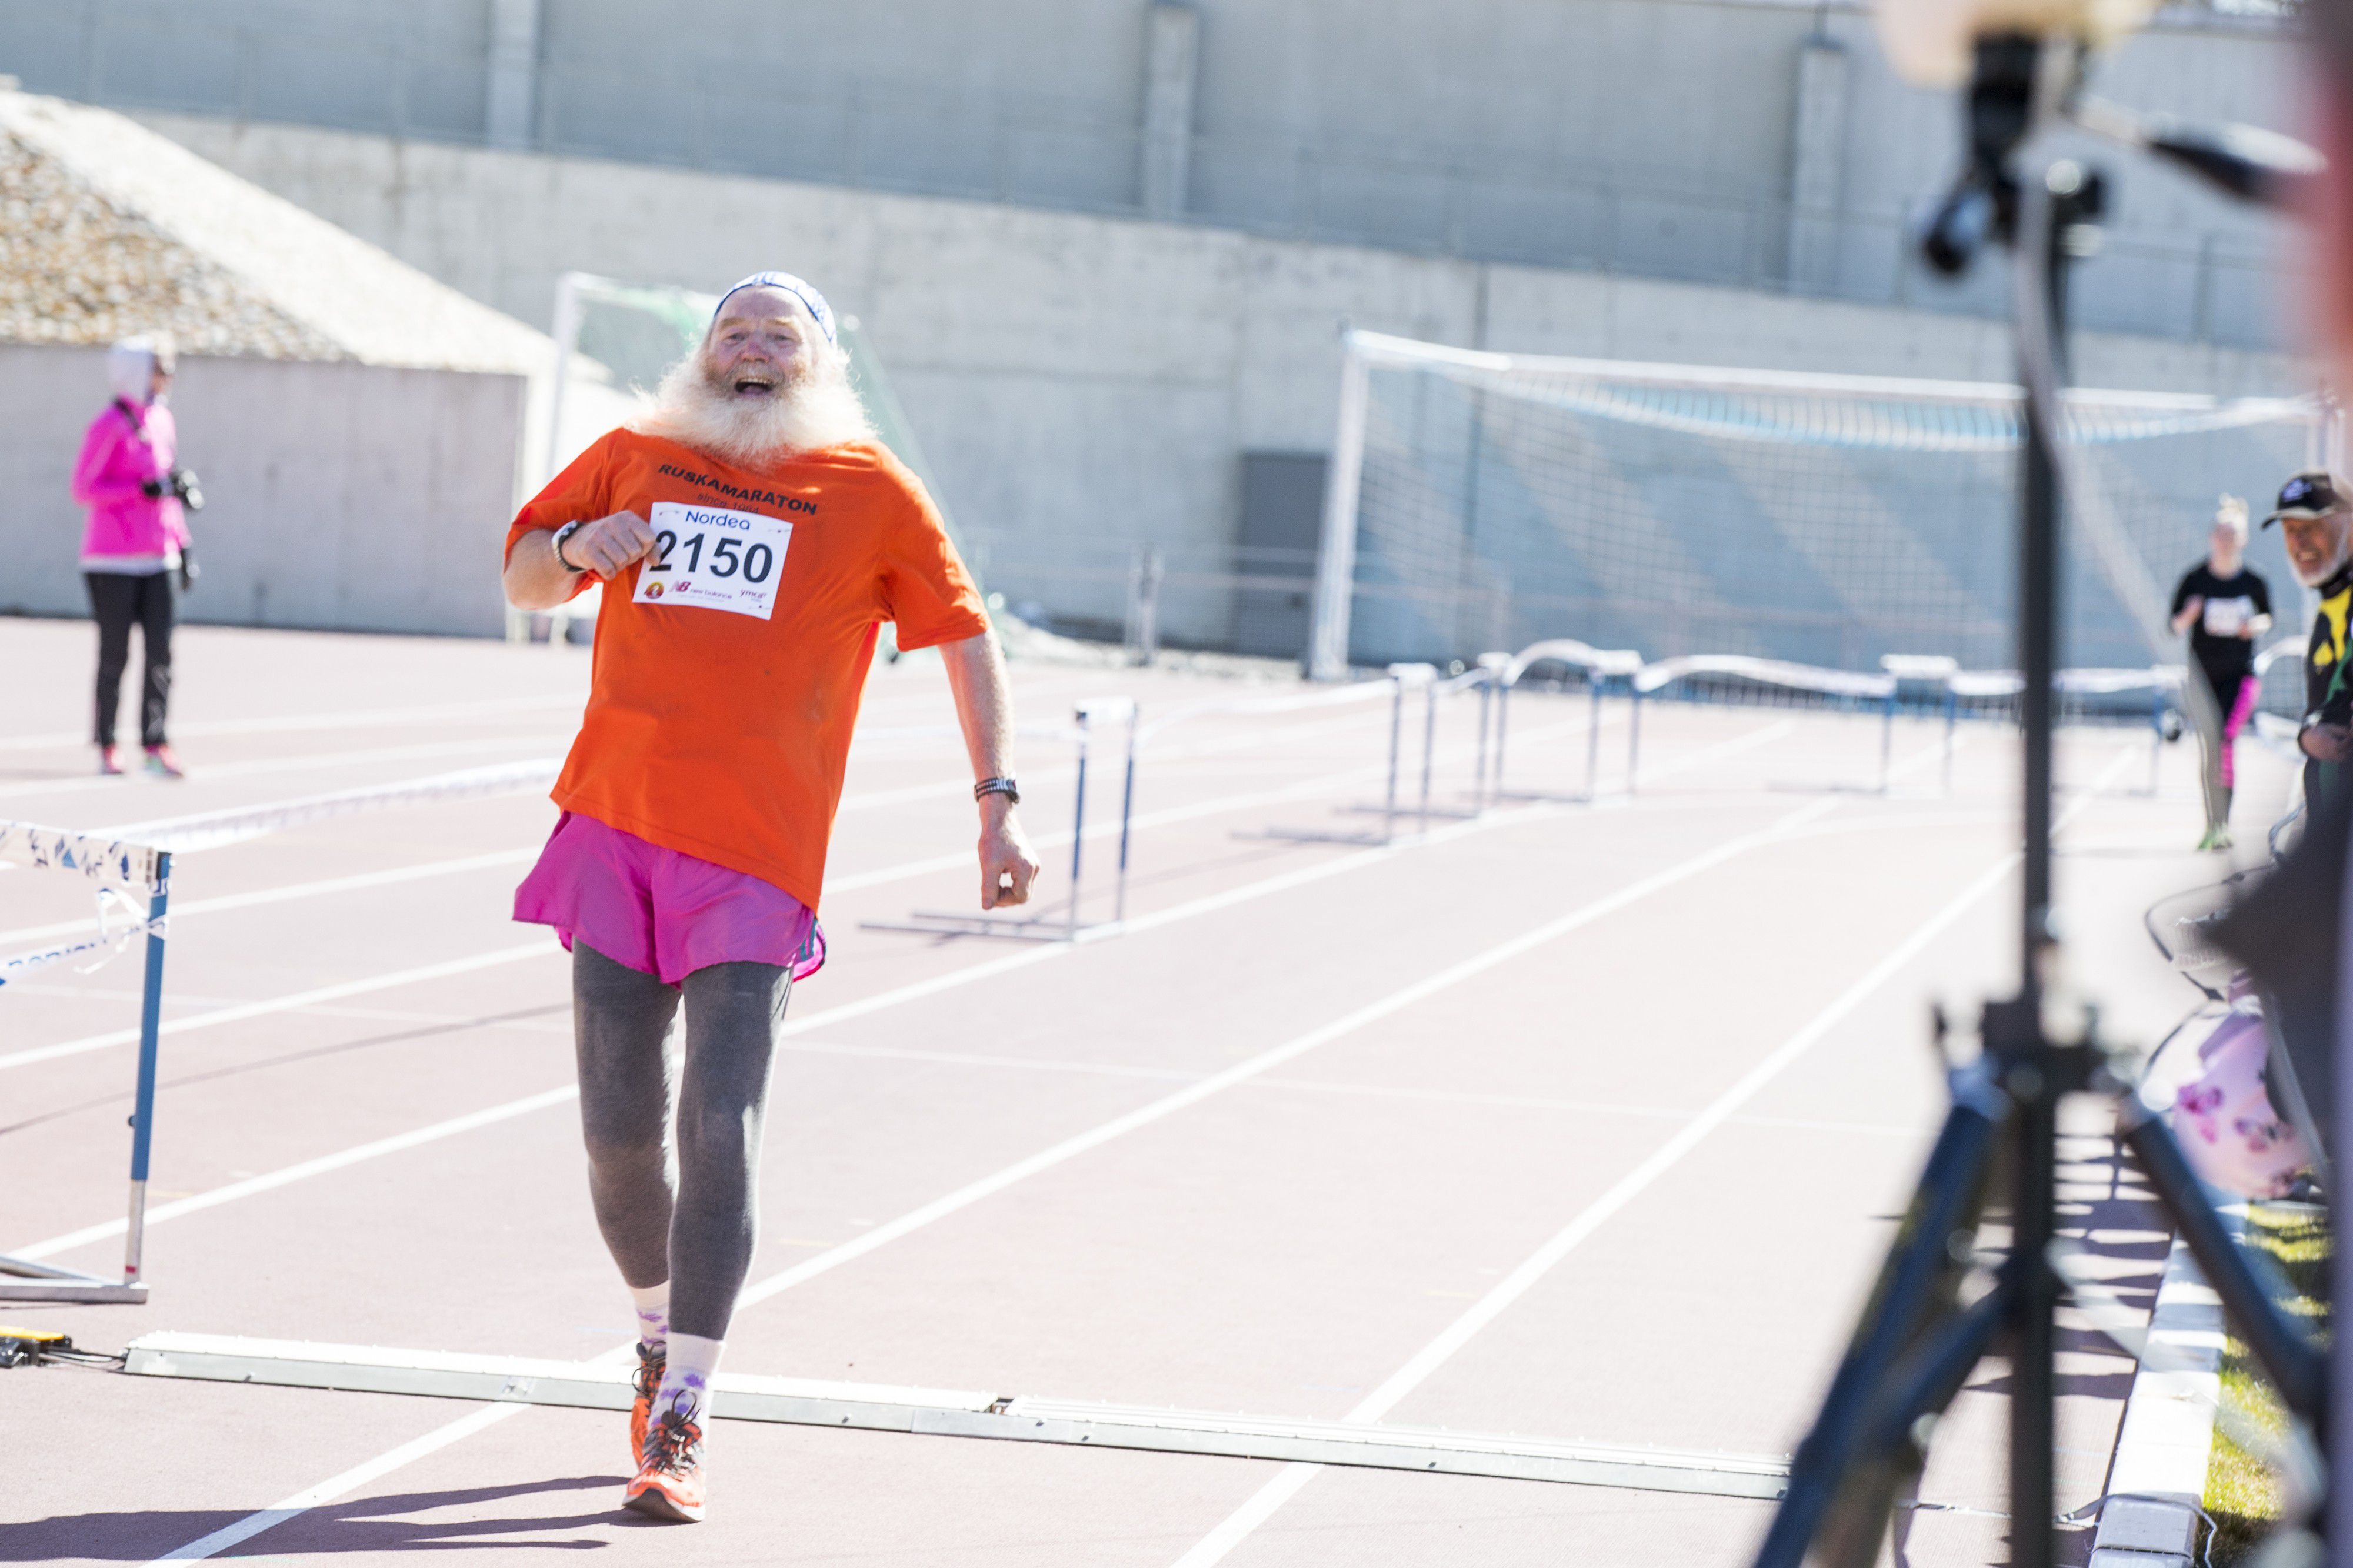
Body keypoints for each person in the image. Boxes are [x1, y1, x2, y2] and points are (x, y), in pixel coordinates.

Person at [501, 271, 1041, 1524]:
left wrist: (996, 799)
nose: (751, 348)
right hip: (617, 827)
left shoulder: (868, 488)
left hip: (755, 854)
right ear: (703, 354)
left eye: (777, 334)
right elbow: (525, 574)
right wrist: (579, 547)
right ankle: (652, 1333)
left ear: (819, 362)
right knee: (617, 1135)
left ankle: (685, 1405)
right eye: (731, 330)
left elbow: (964, 635)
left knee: (720, 1124)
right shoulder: (637, 452)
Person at [72, 335, 194, 778]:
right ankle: (107, 744)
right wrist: (135, 491)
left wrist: (183, 544)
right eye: (160, 368)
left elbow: (166, 492)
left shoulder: (162, 420)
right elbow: (83, 489)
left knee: (162, 652)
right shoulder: (110, 424)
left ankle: (155, 742)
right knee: (114, 655)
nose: (168, 378)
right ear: (137, 370)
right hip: (111, 560)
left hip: (158, 557)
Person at [2169, 494, 2273, 850]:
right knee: (2210, 747)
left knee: (2226, 738)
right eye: (2221, 533)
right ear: (2212, 536)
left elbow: (2267, 617)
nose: (2226, 540)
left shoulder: (2253, 582)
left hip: (2240, 677)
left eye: (2233, 535)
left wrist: (2254, 626)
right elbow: (2173, 626)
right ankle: (2212, 824)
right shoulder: (2195, 580)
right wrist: (2191, 614)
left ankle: (2223, 825)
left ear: (2242, 540)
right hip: (2201, 679)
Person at [2265, 471, 2353, 809]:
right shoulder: (2328, 612)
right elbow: (2321, 711)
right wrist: (2307, 736)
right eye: (2290, 530)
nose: (2299, 542)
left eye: (2310, 527)